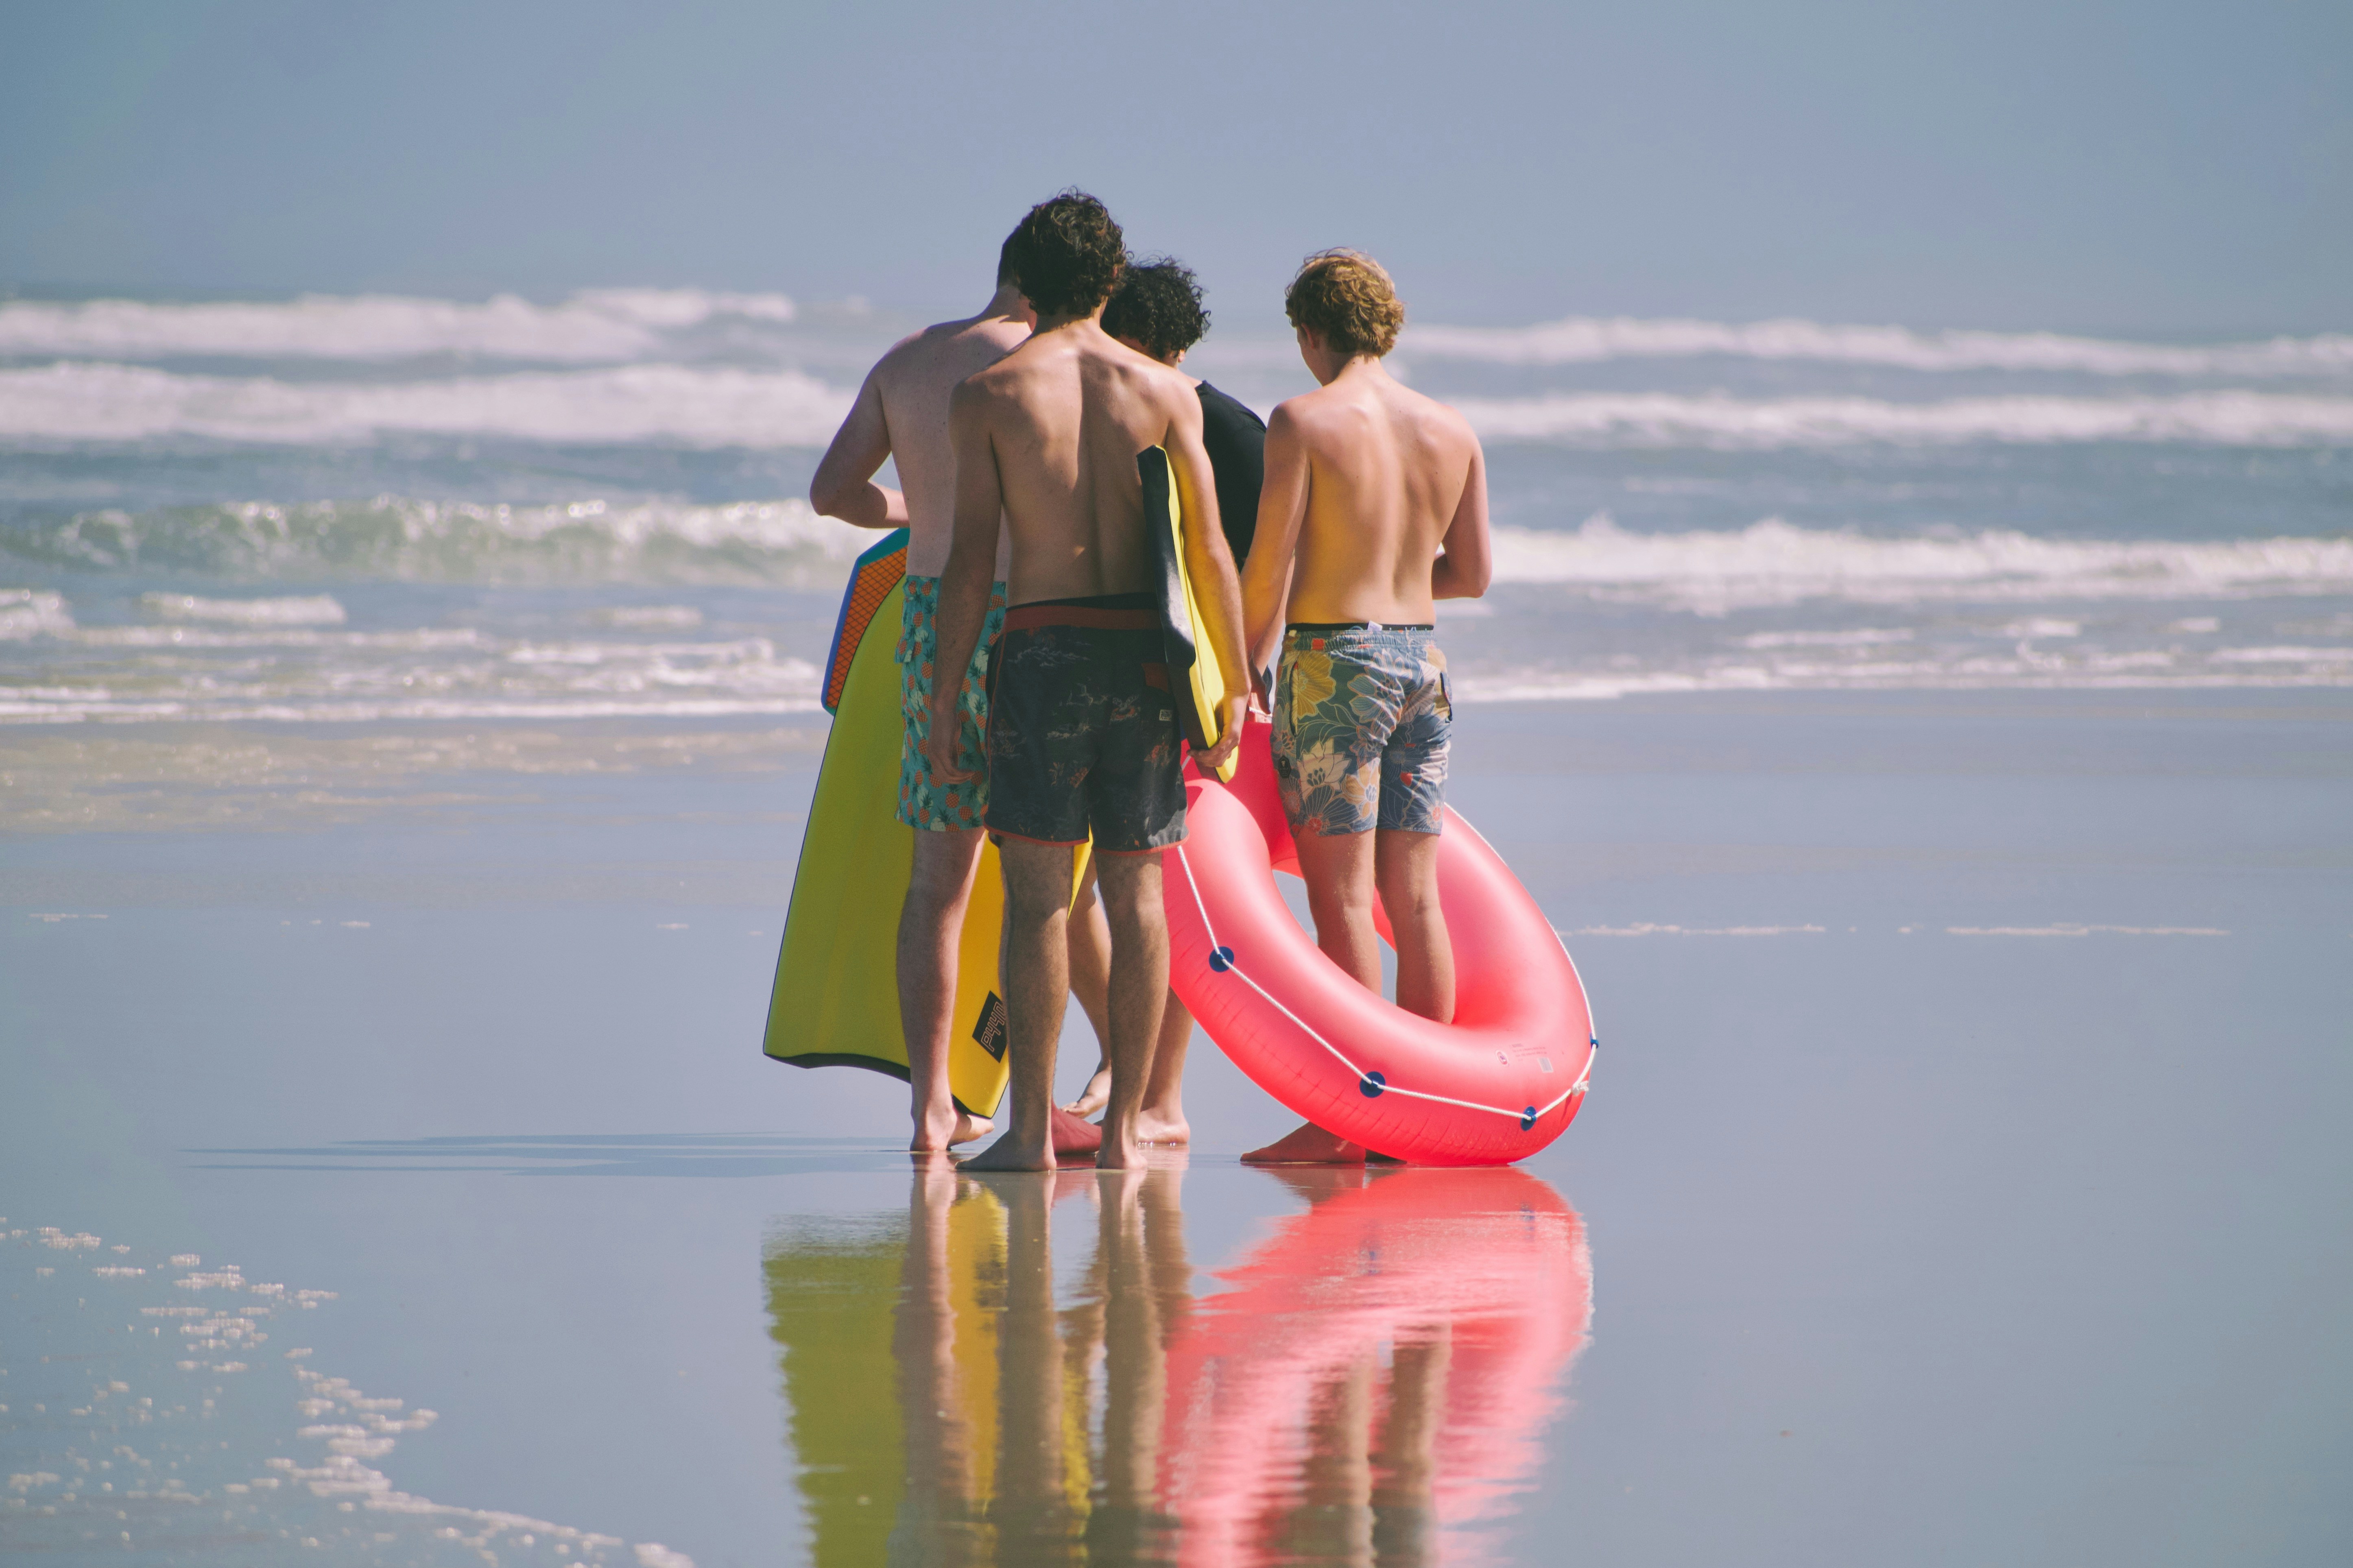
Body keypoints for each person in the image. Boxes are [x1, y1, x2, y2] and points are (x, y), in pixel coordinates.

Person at [926, 192, 1249, 1172]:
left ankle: (1029, 1131)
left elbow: (974, 558)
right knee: (1138, 890)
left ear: (1024, 283)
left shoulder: (989, 394)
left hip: (1042, 652)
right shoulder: (1165, 393)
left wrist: (947, 696)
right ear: (1113, 283)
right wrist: (1234, 689)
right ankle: (1123, 1132)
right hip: (1146, 662)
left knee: (1037, 899)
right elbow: (1209, 552)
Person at [807, 230, 1113, 1155]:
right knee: (1046, 882)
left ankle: (929, 1107)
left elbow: (832, 491)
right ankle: (1048, 1101)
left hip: (932, 617)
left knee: (938, 881)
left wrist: (914, 511)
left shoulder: (905, 361)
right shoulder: (1042, 364)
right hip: (1033, 618)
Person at [1234, 250, 1493, 1165]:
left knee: (1341, 900)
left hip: (1335, 664)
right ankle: (1422, 1110)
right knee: (1411, 895)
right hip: (1423, 662)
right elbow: (1470, 574)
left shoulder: (1303, 420)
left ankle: (1351, 1114)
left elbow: (1268, 567)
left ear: (1310, 333)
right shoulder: (1451, 429)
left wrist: (1240, 669)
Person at [1061, 255, 1268, 1140]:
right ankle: (1123, 1058)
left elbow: (1255, 572)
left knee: (1165, 893)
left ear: (1142, 340)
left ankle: (1162, 1098)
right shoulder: (1118, 415)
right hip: (1113, 672)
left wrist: (1234, 691)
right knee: (1072, 889)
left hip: (1195, 689)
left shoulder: (1227, 428)